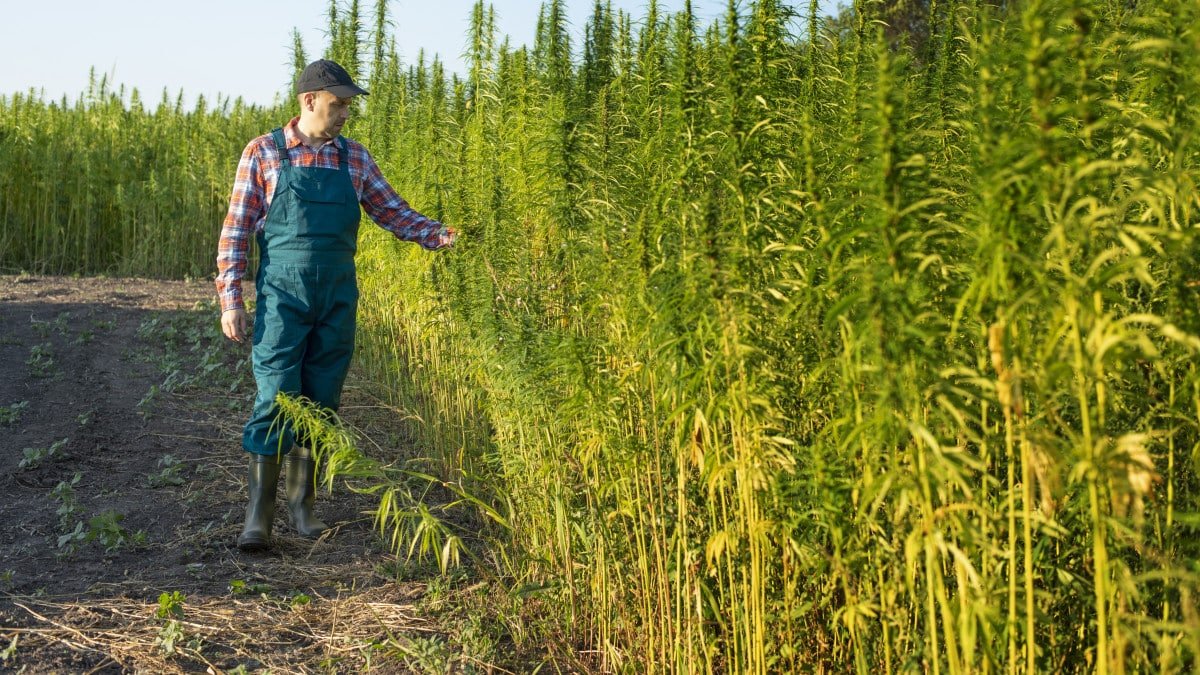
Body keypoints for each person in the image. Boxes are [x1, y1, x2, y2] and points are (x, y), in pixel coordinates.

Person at [216, 59, 456, 551]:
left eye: (348, 104)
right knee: (277, 395)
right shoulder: (264, 153)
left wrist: (441, 235)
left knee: (321, 398)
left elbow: (394, 212)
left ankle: (303, 508)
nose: (345, 112)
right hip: (282, 296)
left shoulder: (355, 159)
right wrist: (231, 298)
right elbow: (237, 229)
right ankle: (258, 517)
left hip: (337, 296)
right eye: (338, 103)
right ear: (309, 100)